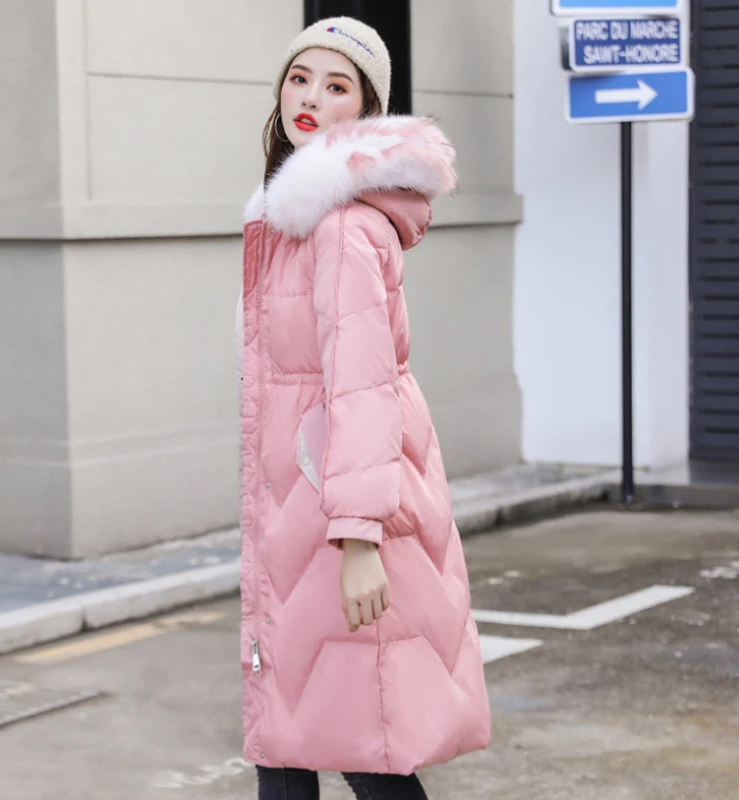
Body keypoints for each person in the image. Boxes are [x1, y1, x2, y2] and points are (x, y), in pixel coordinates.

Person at [237, 16, 491, 800]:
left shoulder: (341, 227)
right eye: (299, 78)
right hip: (301, 511)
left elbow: (363, 386)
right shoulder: (290, 221)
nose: (310, 97)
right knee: (293, 732)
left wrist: (357, 540)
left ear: (367, 109)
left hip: (335, 513)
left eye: (336, 85)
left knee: (355, 742)